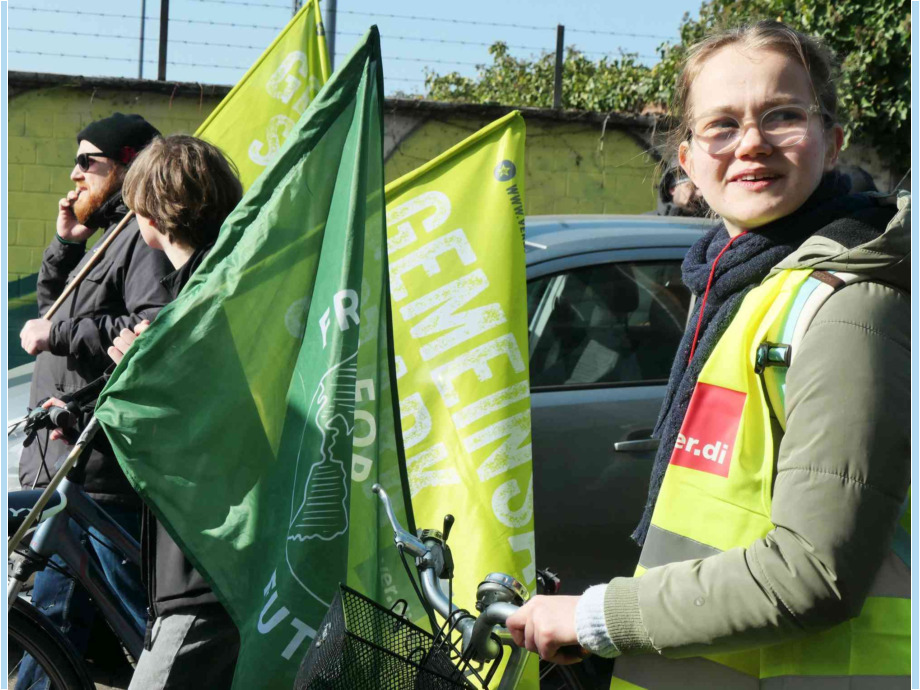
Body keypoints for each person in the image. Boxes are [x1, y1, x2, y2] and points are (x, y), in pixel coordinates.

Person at [507, 20, 910, 689]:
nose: (752, 142)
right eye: (722, 124)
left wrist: (598, 617)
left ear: (833, 140)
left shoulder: (848, 305)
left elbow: (814, 570)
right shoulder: (732, 284)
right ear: (689, 160)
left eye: (783, 115)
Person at [17, 113, 173, 689]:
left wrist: (57, 335)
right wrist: (65, 245)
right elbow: (53, 309)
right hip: (65, 465)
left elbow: (150, 325)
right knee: (65, 634)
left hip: (95, 474)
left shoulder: (142, 238)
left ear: (129, 163)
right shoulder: (109, 233)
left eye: (89, 162)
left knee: (61, 630)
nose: (75, 173)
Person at [112, 134, 244, 689]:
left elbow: (204, 422)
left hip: (203, 567)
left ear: (152, 212)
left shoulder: (200, 302)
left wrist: (139, 375)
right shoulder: (223, 285)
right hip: (218, 562)